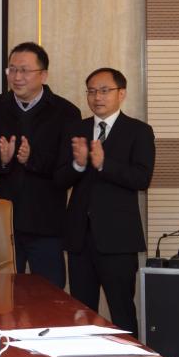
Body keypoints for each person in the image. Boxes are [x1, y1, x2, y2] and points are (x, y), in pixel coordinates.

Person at [55, 68, 155, 333]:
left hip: (118, 240)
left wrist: (103, 164)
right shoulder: (75, 130)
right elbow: (59, 179)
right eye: (91, 91)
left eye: (104, 90)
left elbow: (142, 178)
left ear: (121, 93)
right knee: (81, 314)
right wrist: (78, 165)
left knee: (122, 312)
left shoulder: (139, 131)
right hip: (80, 238)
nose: (97, 97)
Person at [0, 42, 80, 288]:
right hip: (0, 225)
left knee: (50, 296)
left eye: (24, 70)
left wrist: (30, 160)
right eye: (12, 69)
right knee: (0, 296)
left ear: (43, 75)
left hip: (46, 224)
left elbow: (65, 173)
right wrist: (2, 162)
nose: (17, 77)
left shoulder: (66, 112)